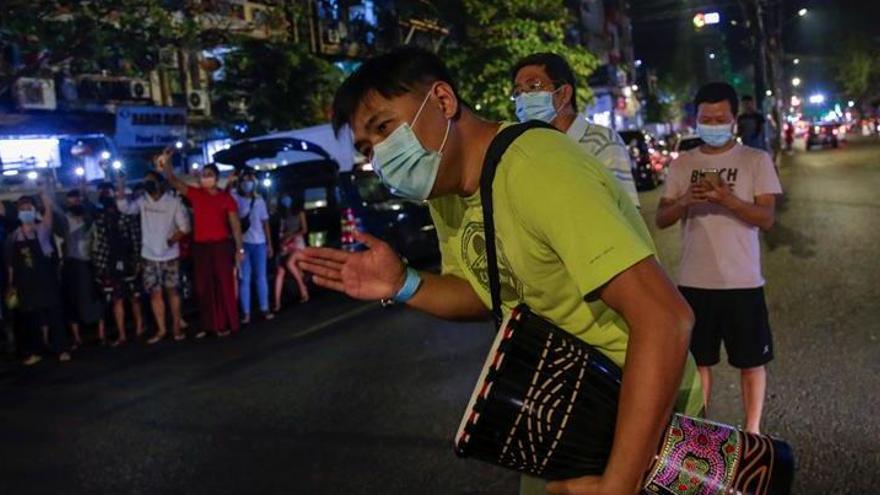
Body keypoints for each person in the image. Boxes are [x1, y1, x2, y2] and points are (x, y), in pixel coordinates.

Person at [296, 48, 702, 495]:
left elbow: (665, 319)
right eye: (368, 148)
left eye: (384, 128)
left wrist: (618, 485)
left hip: (637, 414)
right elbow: (487, 291)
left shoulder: (537, 166)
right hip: (561, 411)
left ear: (444, 101)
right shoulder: (445, 192)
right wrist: (403, 283)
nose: (380, 156)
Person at [656, 82, 783, 434]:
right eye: (705, 118)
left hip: (743, 281)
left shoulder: (755, 160)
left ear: (734, 119)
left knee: (752, 362)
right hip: (694, 282)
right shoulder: (683, 164)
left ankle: (753, 432)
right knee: (699, 365)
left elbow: (767, 218)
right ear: (695, 119)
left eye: (720, 117)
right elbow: (662, 219)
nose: (712, 123)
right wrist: (685, 202)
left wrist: (729, 200)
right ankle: (699, 433)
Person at [510, 52, 640, 208]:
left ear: (564, 93)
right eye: (518, 92)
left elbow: (628, 213)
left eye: (533, 86)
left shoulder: (602, 143)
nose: (524, 98)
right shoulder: (526, 150)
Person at [160, 150, 243, 338]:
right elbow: (173, 181)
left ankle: (226, 323)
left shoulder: (226, 198)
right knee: (203, 287)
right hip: (201, 247)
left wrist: (239, 248)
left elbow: (235, 226)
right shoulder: (196, 194)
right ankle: (209, 325)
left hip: (221, 246)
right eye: (203, 175)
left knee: (223, 285)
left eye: (209, 175)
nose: (205, 178)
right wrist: (168, 162)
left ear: (216, 177)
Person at [116, 170, 190, 343]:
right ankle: (162, 329)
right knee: (155, 294)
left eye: (151, 182)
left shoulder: (173, 202)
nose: (147, 185)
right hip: (149, 255)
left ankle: (176, 329)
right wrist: (120, 184)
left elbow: (185, 227)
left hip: (170, 255)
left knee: (172, 292)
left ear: (160, 184)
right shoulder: (143, 201)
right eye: (145, 182)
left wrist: (171, 241)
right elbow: (124, 208)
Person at [5, 182, 71, 364]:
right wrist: (11, 285)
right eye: (23, 208)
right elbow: (10, 263)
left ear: (34, 210)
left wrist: (44, 195)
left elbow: (48, 211)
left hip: (46, 280)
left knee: (56, 316)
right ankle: (35, 351)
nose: (26, 211)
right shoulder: (14, 236)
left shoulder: (42, 228)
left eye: (29, 207)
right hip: (26, 284)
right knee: (31, 319)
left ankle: (62, 349)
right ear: (18, 212)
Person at [92, 182, 144, 346]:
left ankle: (139, 328)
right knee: (117, 299)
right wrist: (100, 266)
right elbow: (99, 243)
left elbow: (135, 238)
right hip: (111, 262)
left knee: (133, 297)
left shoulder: (126, 215)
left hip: (127, 259)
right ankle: (122, 334)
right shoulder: (100, 218)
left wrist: (137, 260)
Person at [54, 187, 105, 347]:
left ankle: (99, 334)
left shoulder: (88, 221)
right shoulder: (66, 222)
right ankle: (80, 337)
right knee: (76, 301)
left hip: (86, 264)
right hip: (75, 265)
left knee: (92, 299)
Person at [227, 169, 274, 323]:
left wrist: (269, 244)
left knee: (261, 278)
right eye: (245, 180)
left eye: (250, 180)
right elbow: (224, 196)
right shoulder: (234, 197)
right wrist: (229, 181)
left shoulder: (259, 200)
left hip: (259, 243)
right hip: (243, 243)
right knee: (244, 279)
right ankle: (246, 313)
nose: (248, 183)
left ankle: (264, 308)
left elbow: (265, 222)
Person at [273, 194, 309, 311]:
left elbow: (304, 229)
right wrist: (283, 240)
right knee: (280, 271)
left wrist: (292, 236)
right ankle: (277, 303)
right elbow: (281, 232)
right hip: (286, 243)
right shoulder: (283, 215)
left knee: (290, 263)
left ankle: (303, 289)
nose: (285, 199)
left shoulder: (299, 212)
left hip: (297, 242)